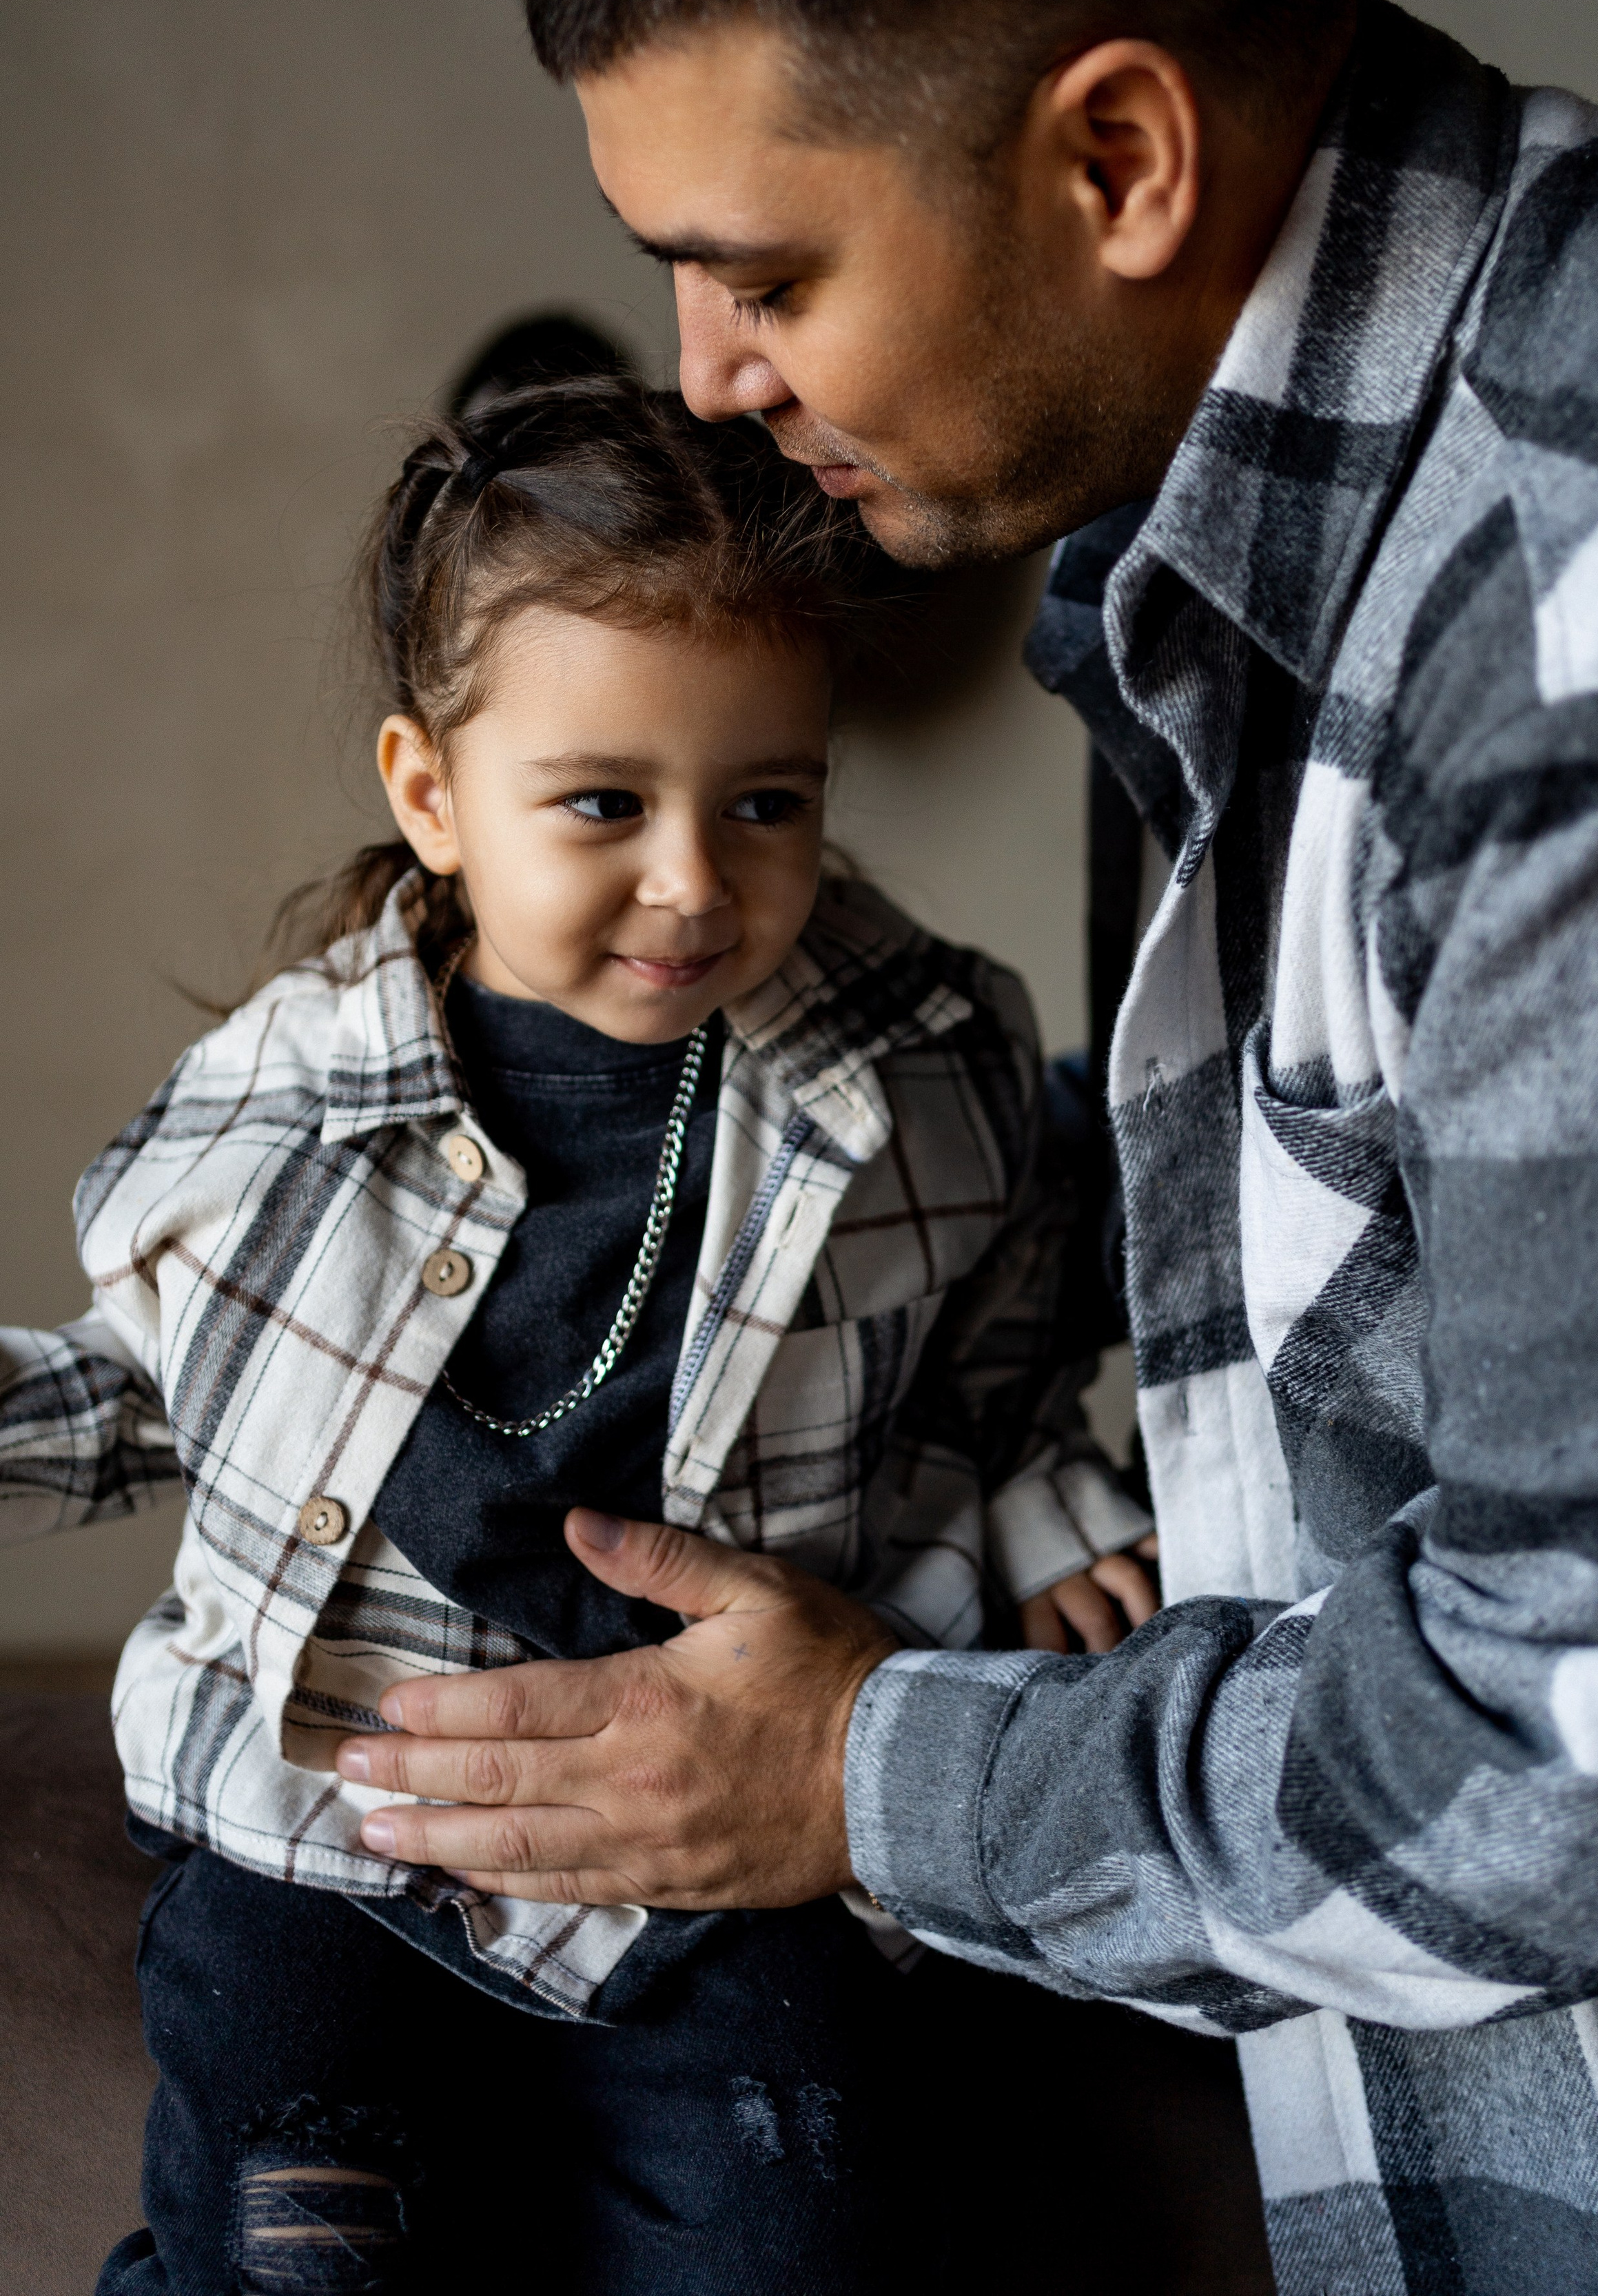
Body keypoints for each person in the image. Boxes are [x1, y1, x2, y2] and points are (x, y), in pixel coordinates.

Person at [330, 0, 1598, 2289]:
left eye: (759, 272)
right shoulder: (1213, 576)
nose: (711, 381)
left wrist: (869, 1773)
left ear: (1116, 152)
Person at [0, 373, 1153, 2293]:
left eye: (766, 800)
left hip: (705, 1814)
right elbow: (159, 1385)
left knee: (808, 2213)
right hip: (340, 1806)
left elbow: (986, 1362)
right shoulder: (296, 1103)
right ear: (432, 795)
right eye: (605, 804)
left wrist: (1046, 1505)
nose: (695, 881)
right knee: (296, 2225)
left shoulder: (915, 1070)